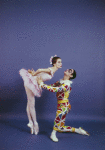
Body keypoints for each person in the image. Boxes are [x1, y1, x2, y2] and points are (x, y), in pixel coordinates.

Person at [37, 69, 89, 142]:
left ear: (70, 75)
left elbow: (54, 89)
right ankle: (78, 130)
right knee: (60, 128)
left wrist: (41, 84)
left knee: (58, 117)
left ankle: (53, 134)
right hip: (61, 105)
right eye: (68, 69)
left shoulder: (67, 85)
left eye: (69, 71)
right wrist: (40, 83)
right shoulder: (60, 82)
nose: (67, 70)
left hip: (65, 106)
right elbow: (51, 86)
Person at [19, 55, 62, 135]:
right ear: (54, 63)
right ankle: (35, 124)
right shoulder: (51, 70)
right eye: (59, 62)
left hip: (32, 83)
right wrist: (34, 74)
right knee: (31, 104)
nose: (60, 63)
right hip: (31, 83)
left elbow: (40, 75)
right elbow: (39, 70)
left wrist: (33, 74)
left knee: (29, 103)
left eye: (60, 62)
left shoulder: (51, 70)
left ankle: (30, 123)